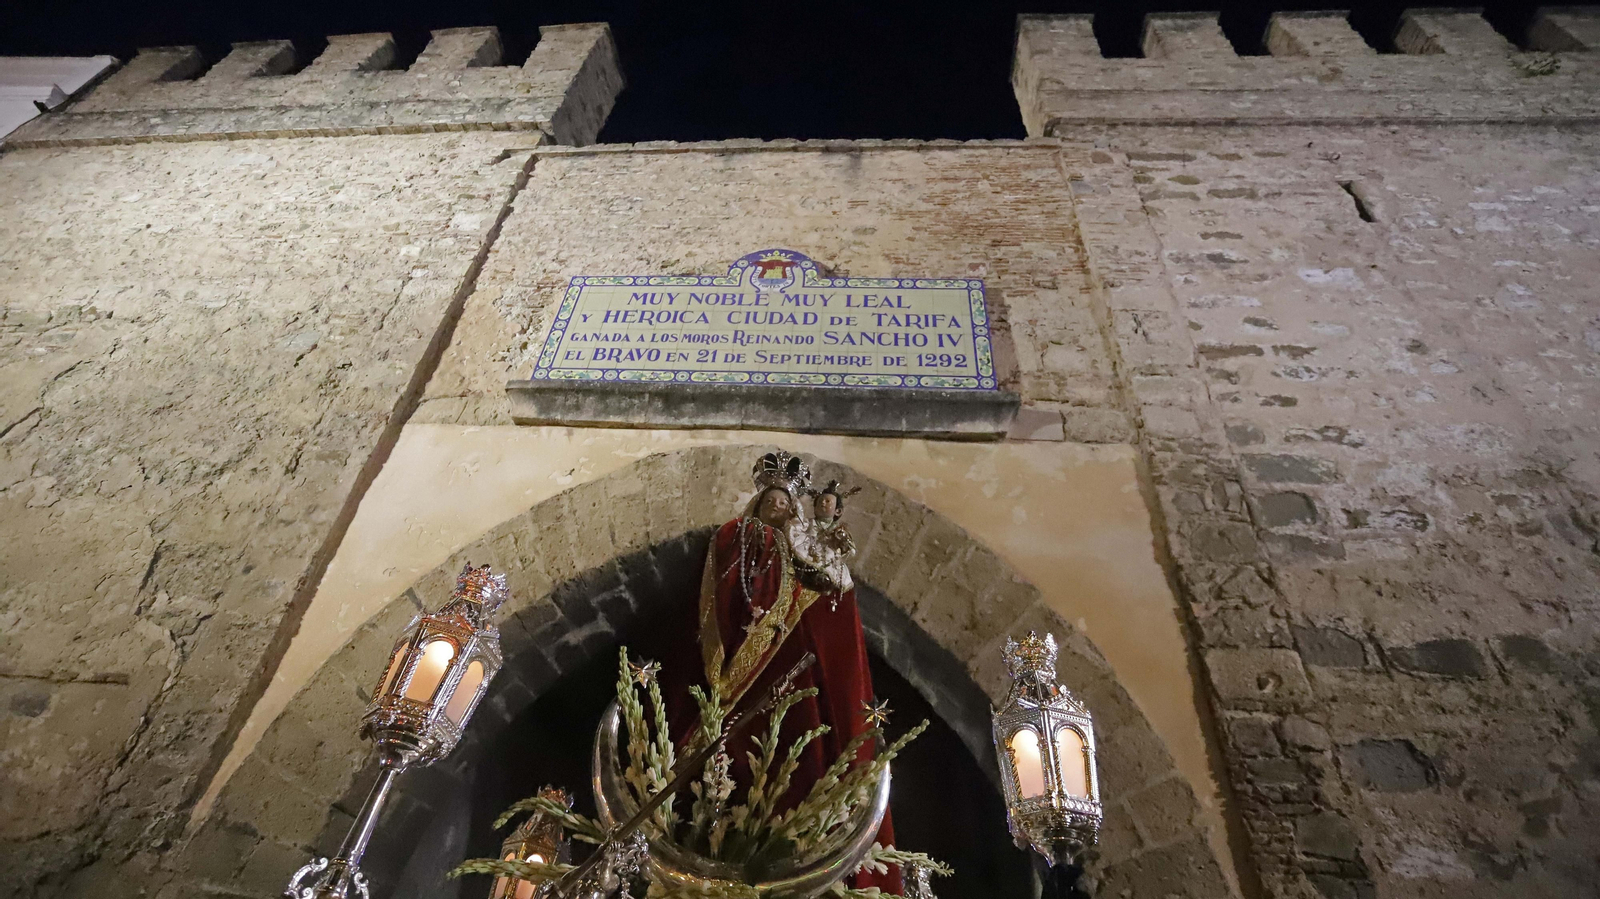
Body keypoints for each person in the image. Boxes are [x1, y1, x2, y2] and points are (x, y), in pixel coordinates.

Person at [670, 452, 902, 894]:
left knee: (808, 730)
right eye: (770, 500)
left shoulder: (808, 554)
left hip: (798, 672)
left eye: (784, 502)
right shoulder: (742, 539)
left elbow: (837, 620)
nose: (777, 507)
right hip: (746, 668)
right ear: (757, 504)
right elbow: (733, 585)